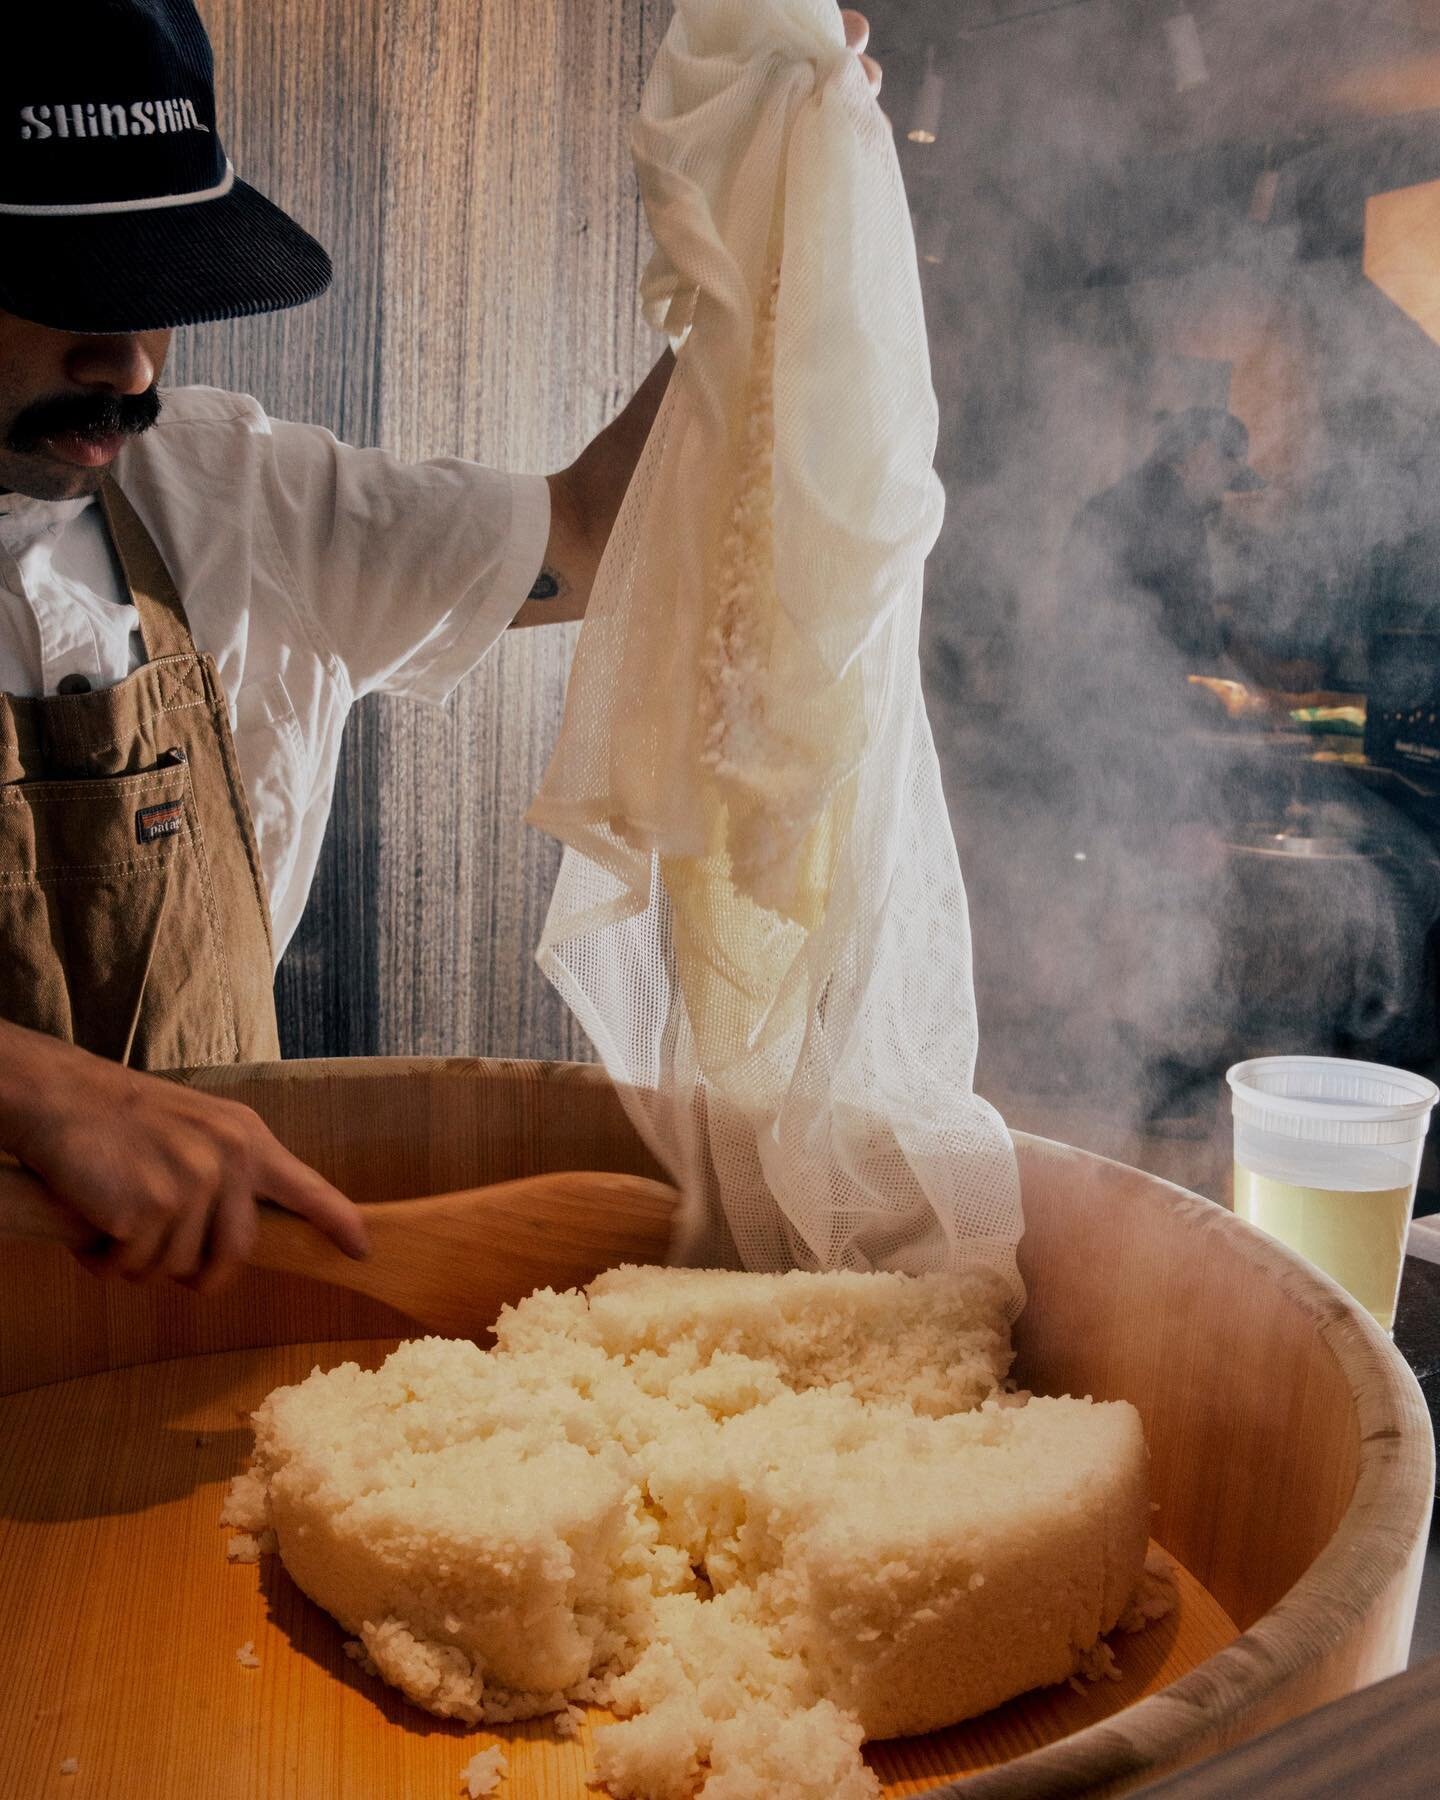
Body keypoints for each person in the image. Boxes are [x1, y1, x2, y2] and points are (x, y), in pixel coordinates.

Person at [0, 2, 881, 1291]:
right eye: (68, 296)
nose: (130, 368)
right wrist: (35, 1089)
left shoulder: (242, 500)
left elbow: (587, 533)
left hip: (219, 1291)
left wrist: (776, 221)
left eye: (164, 296)